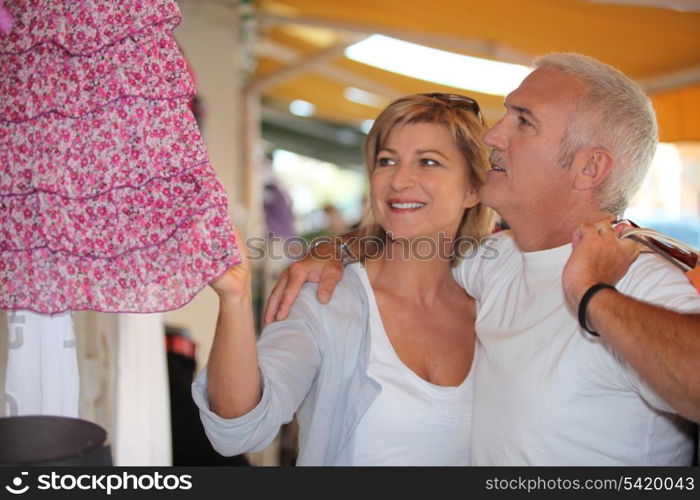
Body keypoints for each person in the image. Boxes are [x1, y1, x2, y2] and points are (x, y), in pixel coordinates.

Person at [264, 53, 700, 465]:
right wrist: (337, 248)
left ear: (590, 168)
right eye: (506, 114)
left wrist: (594, 294)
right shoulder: (495, 262)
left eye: (523, 122)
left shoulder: (643, 281)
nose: (492, 135)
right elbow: (410, 242)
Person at [192, 93, 497, 465]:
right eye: (387, 161)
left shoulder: (497, 302)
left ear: (473, 190)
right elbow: (238, 429)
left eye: (428, 162)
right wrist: (235, 298)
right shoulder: (327, 297)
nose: (399, 180)